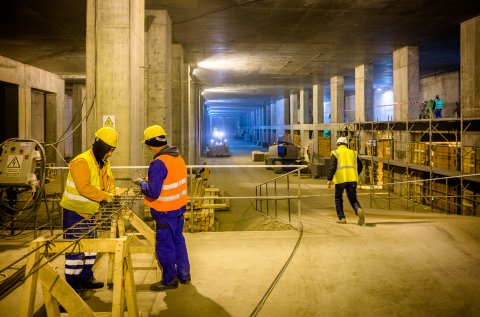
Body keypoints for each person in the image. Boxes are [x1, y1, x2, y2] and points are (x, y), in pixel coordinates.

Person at [60, 127, 117, 291]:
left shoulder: (103, 162)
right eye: (109, 150)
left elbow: (110, 181)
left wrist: (111, 193)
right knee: (75, 253)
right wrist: (105, 197)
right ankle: (73, 287)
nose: (110, 154)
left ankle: (86, 279)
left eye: (112, 151)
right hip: (75, 214)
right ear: (101, 146)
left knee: (90, 249)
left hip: (92, 215)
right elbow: (83, 188)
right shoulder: (81, 161)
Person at [134, 125, 191, 291]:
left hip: (165, 212)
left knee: (164, 246)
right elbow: (169, 181)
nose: (148, 148)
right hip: (178, 210)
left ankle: (169, 280)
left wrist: (141, 183)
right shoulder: (177, 158)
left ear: (152, 143)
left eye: (148, 145)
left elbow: (153, 192)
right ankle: (184, 275)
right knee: (178, 241)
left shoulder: (158, 163)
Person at [326, 136, 365, 225]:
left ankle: (342, 218)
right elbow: (360, 165)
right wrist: (355, 174)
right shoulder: (353, 153)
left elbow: (332, 166)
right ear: (346, 144)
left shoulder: (336, 153)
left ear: (338, 144)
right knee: (353, 198)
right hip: (352, 179)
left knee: (338, 198)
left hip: (340, 180)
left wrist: (329, 179)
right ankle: (358, 209)